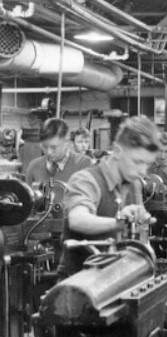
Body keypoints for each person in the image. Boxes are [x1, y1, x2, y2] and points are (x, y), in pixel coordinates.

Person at [58, 116, 159, 278]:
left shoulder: (134, 184)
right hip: (80, 283)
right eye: (138, 162)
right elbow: (77, 220)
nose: (142, 171)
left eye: (147, 164)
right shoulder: (86, 180)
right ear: (117, 151)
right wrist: (120, 223)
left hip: (117, 280)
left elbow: (141, 238)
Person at [24, 118, 94, 197]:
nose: (49, 152)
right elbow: (27, 200)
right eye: (44, 147)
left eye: (53, 147)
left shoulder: (83, 164)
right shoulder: (34, 166)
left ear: (66, 142)